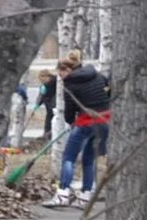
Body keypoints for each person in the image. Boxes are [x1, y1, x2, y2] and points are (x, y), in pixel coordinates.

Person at [38, 51, 111, 204]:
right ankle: (85, 196)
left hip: (85, 122)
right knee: (89, 159)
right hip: (105, 120)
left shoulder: (70, 84)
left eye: (60, 74)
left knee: (68, 158)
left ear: (67, 70)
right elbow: (108, 87)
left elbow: (69, 112)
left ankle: (62, 193)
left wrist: (71, 122)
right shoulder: (96, 74)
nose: (61, 77)